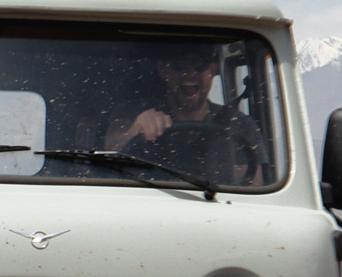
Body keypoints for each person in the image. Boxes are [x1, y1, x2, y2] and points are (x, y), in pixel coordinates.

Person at [102, 45, 270, 185]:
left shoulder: (239, 124)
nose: (189, 74)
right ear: (162, 69)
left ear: (212, 70)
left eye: (199, 66)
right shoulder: (134, 111)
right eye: (178, 66)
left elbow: (255, 191)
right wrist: (135, 128)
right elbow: (109, 147)